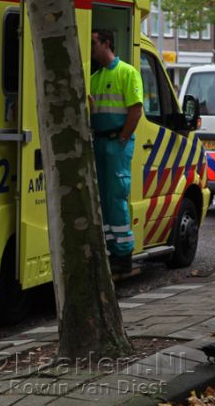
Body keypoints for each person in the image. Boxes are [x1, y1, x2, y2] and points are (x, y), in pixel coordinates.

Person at [88, 29, 143, 274]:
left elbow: (136, 110)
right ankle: (110, 250)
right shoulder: (95, 76)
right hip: (100, 141)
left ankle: (123, 255)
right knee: (101, 198)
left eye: (93, 43)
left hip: (115, 142)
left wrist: (122, 139)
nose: (90, 48)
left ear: (106, 43)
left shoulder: (127, 72)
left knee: (116, 197)